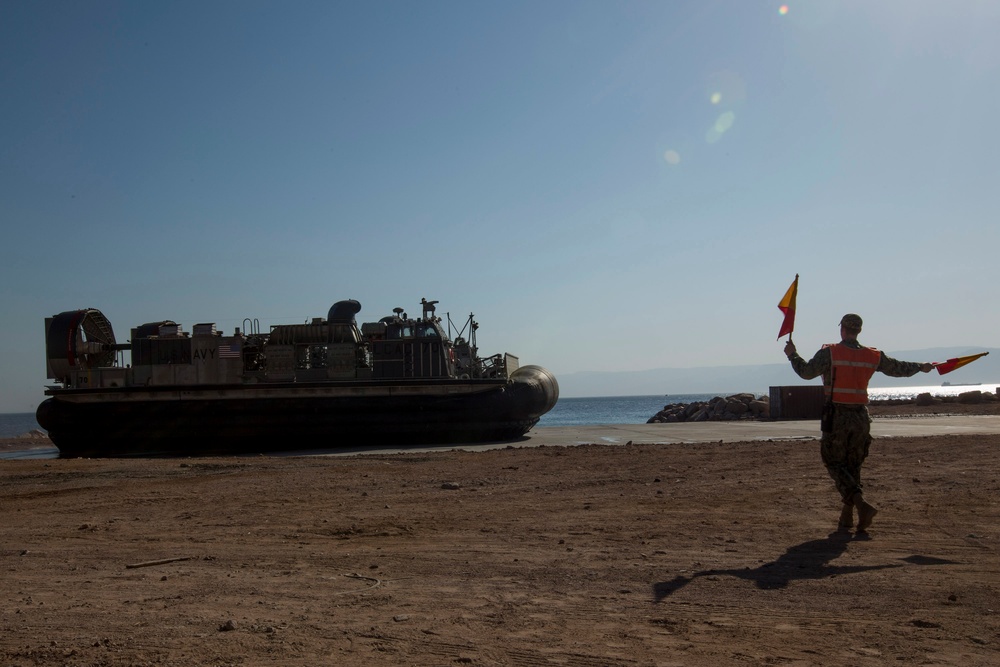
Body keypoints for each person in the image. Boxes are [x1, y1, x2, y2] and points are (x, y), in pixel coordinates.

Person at [784, 314, 933, 533]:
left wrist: (792, 355)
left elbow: (806, 373)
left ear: (842, 329)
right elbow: (897, 368)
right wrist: (921, 366)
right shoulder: (871, 355)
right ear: (859, 331)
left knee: (834, 462)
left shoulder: (831, 353)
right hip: (861, 417)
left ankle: (861, 505)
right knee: (853, 466)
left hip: (838, 417)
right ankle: (847, 518)